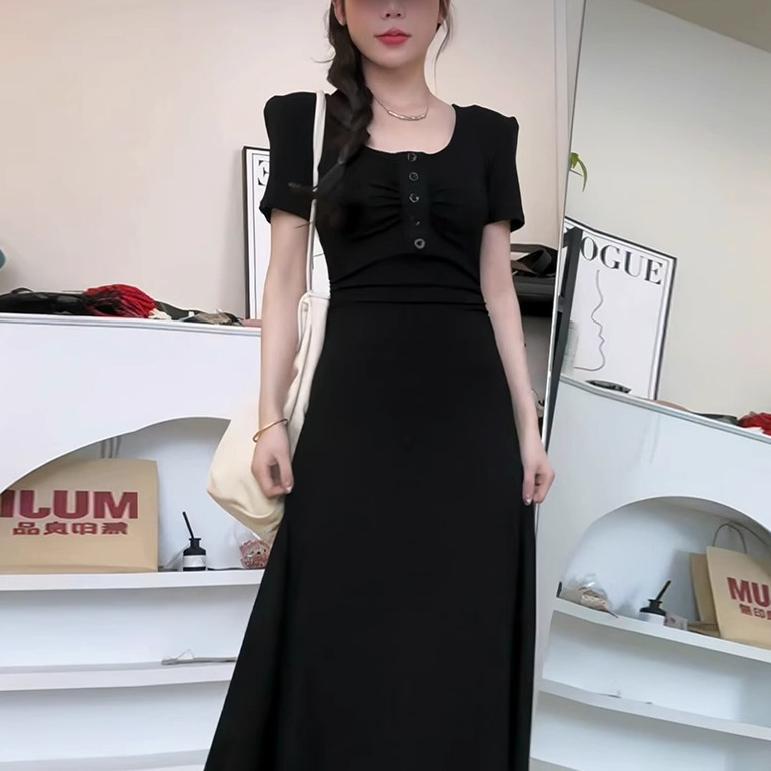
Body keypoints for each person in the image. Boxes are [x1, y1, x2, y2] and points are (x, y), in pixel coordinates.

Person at [204, 1, 555, 768]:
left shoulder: (491, 135)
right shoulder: (303, 121)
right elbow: (284, 279)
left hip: (470, 424)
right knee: (337, 619)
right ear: (339, 8)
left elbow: (499, 291)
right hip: (353, 411)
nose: (391, 7)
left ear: (441, 9)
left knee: (458, 630)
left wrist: (528, 431)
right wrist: (269, 419)